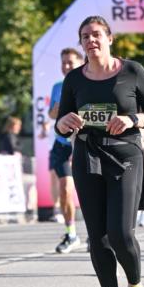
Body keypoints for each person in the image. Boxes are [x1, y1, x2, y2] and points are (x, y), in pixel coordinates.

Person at [55, 16, 144, 287]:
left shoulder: (132, 71)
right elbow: (61, 122)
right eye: (85, 36)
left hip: (125, 154)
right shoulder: (74, 79)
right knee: (97, 236)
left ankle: (136, 286)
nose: (91, 40)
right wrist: (63, 123)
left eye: (96, 34)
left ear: (110, 38)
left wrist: (133, 119)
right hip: (87, 155)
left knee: (120, 233)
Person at [48, 47, 83, 252]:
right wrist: (59, 109)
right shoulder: (57, 87)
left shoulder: (88, 84)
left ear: (80, 63)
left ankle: (97, 235)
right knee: (65, 189)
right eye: (64, 62)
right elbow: (52, 114)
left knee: (91, 191)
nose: (67, 66)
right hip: (62, 145)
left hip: (84, 144)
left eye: (70, 62)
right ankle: (71, 233)